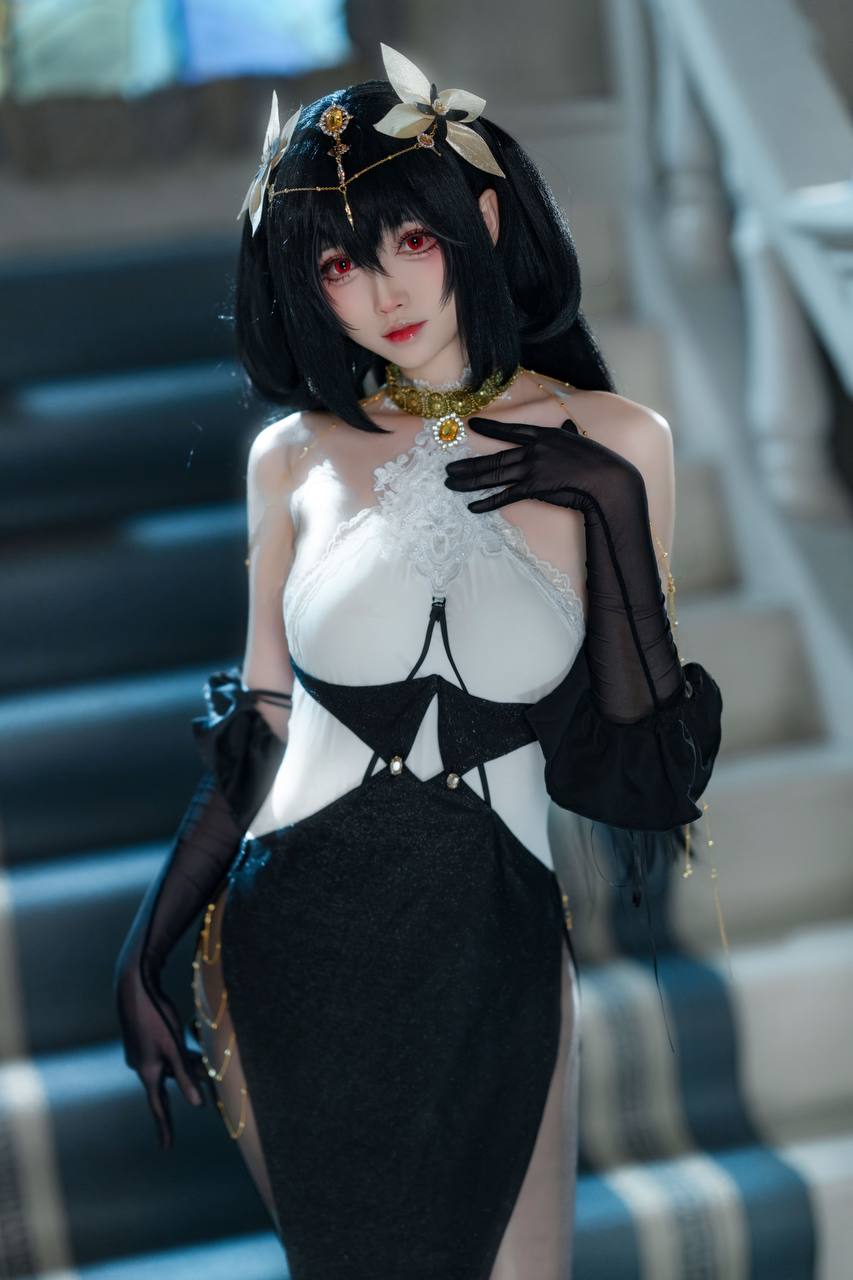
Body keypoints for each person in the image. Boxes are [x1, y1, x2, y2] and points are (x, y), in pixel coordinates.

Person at [113, 43, 723, 1280]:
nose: (383, 289)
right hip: (292, 938)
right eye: (338, 264)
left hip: (496, 936)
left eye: (409, 239)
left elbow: (639, 764)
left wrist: (607, 503)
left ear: (480, 220)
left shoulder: (620, 443)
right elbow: (263, 725)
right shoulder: (292, 455)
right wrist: (144, 948)